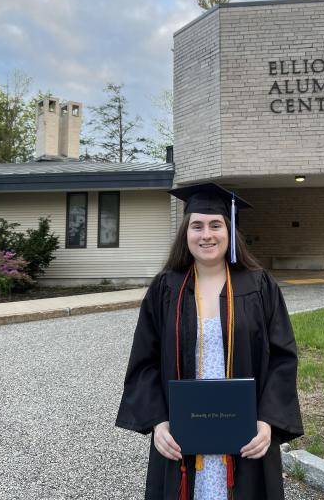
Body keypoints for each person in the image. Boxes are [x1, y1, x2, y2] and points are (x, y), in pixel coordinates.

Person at [115, 183, 304, 500]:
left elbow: (283, 359)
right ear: (185, 233)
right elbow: (144, 361)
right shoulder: (166, 288)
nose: (206, 235)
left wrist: (268, 421)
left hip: (247, 436)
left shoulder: (259, 285)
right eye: (197, 226)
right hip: (182, 437)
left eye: (215, 225)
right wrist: (158, 423)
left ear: (230, 230)